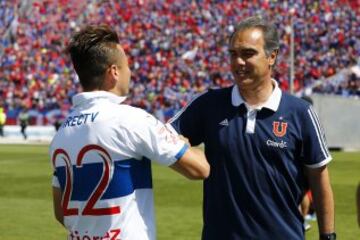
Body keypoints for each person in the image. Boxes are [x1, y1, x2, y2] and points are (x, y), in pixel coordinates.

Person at [169, 16, 335, 240]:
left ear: (271, 57)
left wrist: (328, 236)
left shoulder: (300, 113)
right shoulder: (209, 105)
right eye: (233, 54)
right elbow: (164, 136)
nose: (238, 62)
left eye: (248, 53)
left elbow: (319, 179)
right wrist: (189, 158)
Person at [49, 25, 209, 240]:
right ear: (114, 72)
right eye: (127, 66)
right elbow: (200, 169)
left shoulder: (61, 134)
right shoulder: (131, 120)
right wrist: (186, 146)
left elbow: (61, 213)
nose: (130, 72)